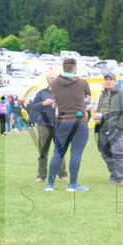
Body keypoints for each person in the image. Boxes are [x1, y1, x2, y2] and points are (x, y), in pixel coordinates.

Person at [45, 58, 92, 192]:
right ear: (74, 68)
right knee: (76, 153)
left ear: (63, 68)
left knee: (58, 153)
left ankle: (50, 184)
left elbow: (56, 99)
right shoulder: (82, 83)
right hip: (79, 122)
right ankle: (72, 184)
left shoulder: (54, 83)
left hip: (61, 121)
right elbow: (88, 99)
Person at [27, 72, 67, 183]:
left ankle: (63, 175)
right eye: (51, 78)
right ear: (47, 80)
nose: (53, 79)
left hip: (59, 124)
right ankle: (41, 176)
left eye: (55, 78)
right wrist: (43, 103)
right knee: (43, 151)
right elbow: (33, 107)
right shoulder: (41, 93)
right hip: (44, 125)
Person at [95, 73, 123, 185]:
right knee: (105, 153)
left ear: (115, 81)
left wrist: (118, 128)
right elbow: (100, 110)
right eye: (106, 80)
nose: (108, 81)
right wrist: (97, 116)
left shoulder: (122, 94)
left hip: (115, 129)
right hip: (102, 128)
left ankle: (122, 178)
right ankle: (114, 176)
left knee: (117, 153)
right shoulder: (103, 95)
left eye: (111, 79)